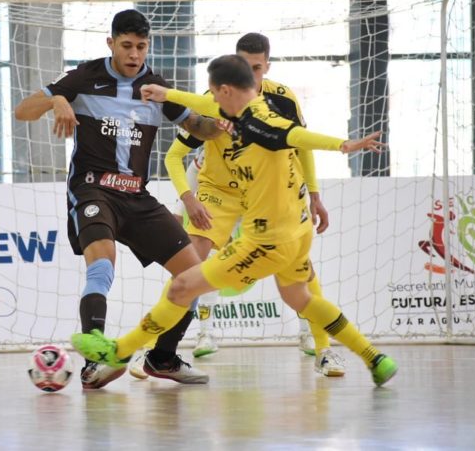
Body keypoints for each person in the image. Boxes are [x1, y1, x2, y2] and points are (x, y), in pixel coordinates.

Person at [71, 54, 399, 387]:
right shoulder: (244, 108)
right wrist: (165, 94)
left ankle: (120, 351)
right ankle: (374, 358)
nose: (210, 100)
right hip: (297, 231)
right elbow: (204, 106)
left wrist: (344, 145)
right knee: (300, 298)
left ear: (226, 91)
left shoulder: (261, 124)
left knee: (183, 284)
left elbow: (298, 136)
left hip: (265, 240)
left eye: (214, 93)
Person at [14, 9, 223, 389]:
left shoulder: (157, 88)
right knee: (102, 265)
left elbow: (200, 127)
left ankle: (162, 358)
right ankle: (95, 361)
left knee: (195, 279)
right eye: (126, 46)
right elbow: (22, 111)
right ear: (110, 43)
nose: (134, 55)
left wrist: (225, 120)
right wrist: (58, 98)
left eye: (141, 47)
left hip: (137, 197)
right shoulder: (84, 77)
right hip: (93, 189)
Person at [147, 33, 345, 376]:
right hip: (219, 192)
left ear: (267, 65)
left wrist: (313, 194)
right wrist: (188, 198)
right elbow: (175, 155)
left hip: (264, 195)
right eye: (243, 66)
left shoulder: (283, 100)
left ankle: (323, 349)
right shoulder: (216, 99)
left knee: (301, 264)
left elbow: (301, 147)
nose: (250, 74)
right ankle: (159, 349)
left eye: (256, 67)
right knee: (191, 262)